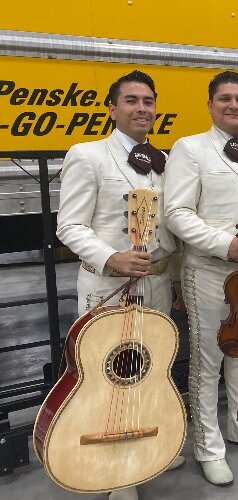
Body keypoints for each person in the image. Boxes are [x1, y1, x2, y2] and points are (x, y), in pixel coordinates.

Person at [56, 70, 184, 500]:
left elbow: (174, 229)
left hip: (158, 286)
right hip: (106, 287)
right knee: (108, 377)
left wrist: (177, 275)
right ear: (112, 109)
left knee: (150, 372)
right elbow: (69, 225)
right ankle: (117, 473)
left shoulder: (165, 162)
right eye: (131, 101)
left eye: (148, 101)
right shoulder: (88, 154)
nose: (141, 109)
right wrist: (111, 256)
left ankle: (148, 446)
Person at [163, 71, 238, 487]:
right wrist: (223, 244)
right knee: (208, 358)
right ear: (210, 104)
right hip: (211, 269)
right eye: (225, 99)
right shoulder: (190, 149)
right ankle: (208, 447)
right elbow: (176, 213)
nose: (234, 105)